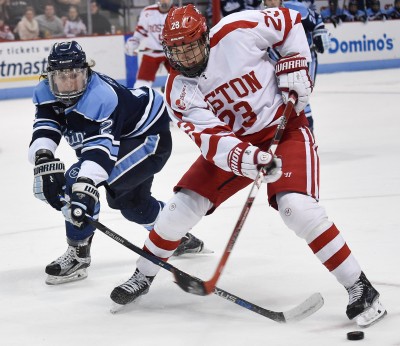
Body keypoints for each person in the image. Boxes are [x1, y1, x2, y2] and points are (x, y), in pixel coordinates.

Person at [109, 5, 387, 328]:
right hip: (235, 149)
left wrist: (294, 61)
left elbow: (288, 22)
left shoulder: (236, 31)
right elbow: (213, 142)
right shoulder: (178, 90)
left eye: (191, 46)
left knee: (296, 209)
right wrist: (250, 160)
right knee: (178, 210)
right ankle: (143, 275)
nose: (185, 57)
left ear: (205, 38)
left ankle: (361, 287)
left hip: (284, 131)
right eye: (177, 51)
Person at [28, 40, 207, 286]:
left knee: (75, 183)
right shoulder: (45, 91)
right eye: (62, 77)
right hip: (125, 139)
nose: (69, 84)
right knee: (132, 204)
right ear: (49, 76)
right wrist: (43, 158)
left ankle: (79, 255)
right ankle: (175, 234)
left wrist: (83, 186)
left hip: (149, 138)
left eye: (75, 76)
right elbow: (47, 125)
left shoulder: (101, 96)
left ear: (86, 72)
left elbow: (100, 152)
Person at [265, 0, 330, 133]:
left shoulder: (296, 9)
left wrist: (320, 32)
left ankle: (306, 132)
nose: (271, 1)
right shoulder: (260, 15)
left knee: (300, 97)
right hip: (277, 60)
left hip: (303, 60)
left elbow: (316, 20)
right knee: (279, 99)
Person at [124, 0, 173, 89]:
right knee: (142, 83)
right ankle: (141, 100)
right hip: (151, 51)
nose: (164, 1)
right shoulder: (148, 11)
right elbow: (140, 31)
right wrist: (133, 42)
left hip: (172, 53)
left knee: (181, 78)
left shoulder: (177, 12)